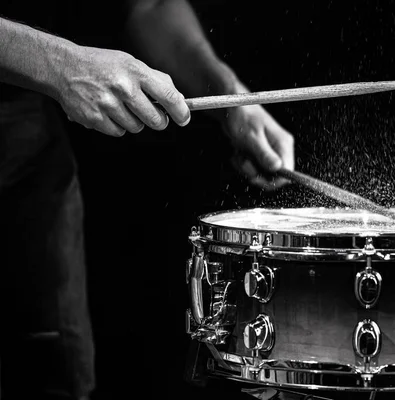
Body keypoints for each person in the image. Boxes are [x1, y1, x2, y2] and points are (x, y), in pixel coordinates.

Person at [0, 1, 294, 399]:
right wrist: (60, 63)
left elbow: (151, 5)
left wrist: (232, 99)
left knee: (57, 377)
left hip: (27, 155)